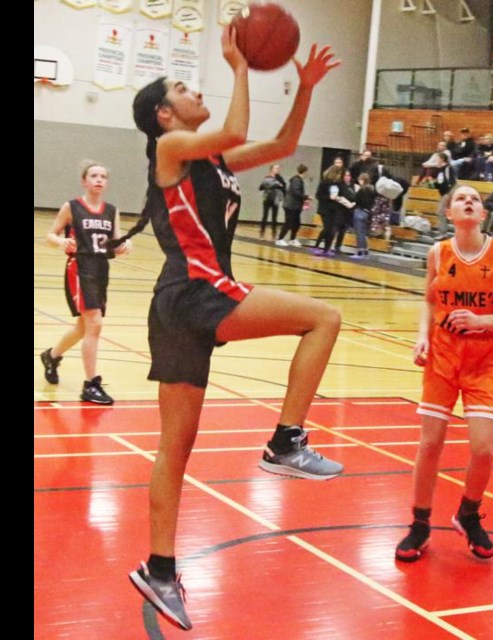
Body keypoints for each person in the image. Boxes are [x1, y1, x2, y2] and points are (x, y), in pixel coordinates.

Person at [121, 29, 343, 631]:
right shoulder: (169, 148)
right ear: (165, 113)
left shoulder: (210, 158)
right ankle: (285, 441)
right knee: (324, 317)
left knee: (178, 447)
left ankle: (160, 569)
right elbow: (240, 131)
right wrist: (239, 66)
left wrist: (304, 89)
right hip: (195, 292)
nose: (198, 93)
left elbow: (282, 142)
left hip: (178, 305)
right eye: (185, 89)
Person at [394, 184, 493, 562]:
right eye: (460, 198)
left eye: (475, 199)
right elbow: (428, 301)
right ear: (450, 213)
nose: (469, 201)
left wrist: (482, 320)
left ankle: (468, 514)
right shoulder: (438, 253)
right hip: (442, 356)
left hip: (483, 360)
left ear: (483, 215)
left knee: (484, 450)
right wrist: (421, 338)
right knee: (429, 444)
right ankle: (419, 524)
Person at [39, 161, 131, 404]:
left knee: (84, 328)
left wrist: (123, 246)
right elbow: (50, 235)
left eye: (103, 176)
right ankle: (91, 385)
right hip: (79, 268)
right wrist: (60, 243)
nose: (99, 179)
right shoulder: (72, 207)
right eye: (94, 175)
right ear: (84, 181)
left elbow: (115, 242)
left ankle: (52, 356)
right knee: (95, 324)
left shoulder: (112, 210)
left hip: (101, 269)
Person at [312, 157, 345, 257]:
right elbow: (318, 195)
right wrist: (328, 197)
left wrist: (339, 198)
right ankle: (319, 246)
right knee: (327, 229)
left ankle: (327, 249)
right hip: (325, 209)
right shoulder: (324, 182)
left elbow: (342, 193)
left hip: (335, 209)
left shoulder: (339, 184)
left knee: (332, 230)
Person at [276, 163, 310, 247]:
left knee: (296, 223)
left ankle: (292, 239)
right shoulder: (296, 180)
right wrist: (306, 197)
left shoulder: (298, 180)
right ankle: (280, 239)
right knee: (288, 223)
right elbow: (296, 192)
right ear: (304, 172)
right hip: (290, 206)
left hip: (295, 206)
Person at [350, 172, 376, 259]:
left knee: (359, 232)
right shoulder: (372, 190)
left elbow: (355, 199)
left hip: (360, 210)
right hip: (367, 212)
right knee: (364, 232)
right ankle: (365, 251)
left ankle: (360, 251)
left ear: (362, 180)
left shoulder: (362, 190)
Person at [258, 164, 286, 239]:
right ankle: (262, 232)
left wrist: (280, 187)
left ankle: (274, 233)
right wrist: (268, 185)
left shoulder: (279, 178)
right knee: (265, 216)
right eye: (276, 168)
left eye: (278, 168)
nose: (278, 170)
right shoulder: (267, 178)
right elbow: (260, 187)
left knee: (274, 218)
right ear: (272, 169)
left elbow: (283, 186)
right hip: (267, 199)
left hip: (275, 199)